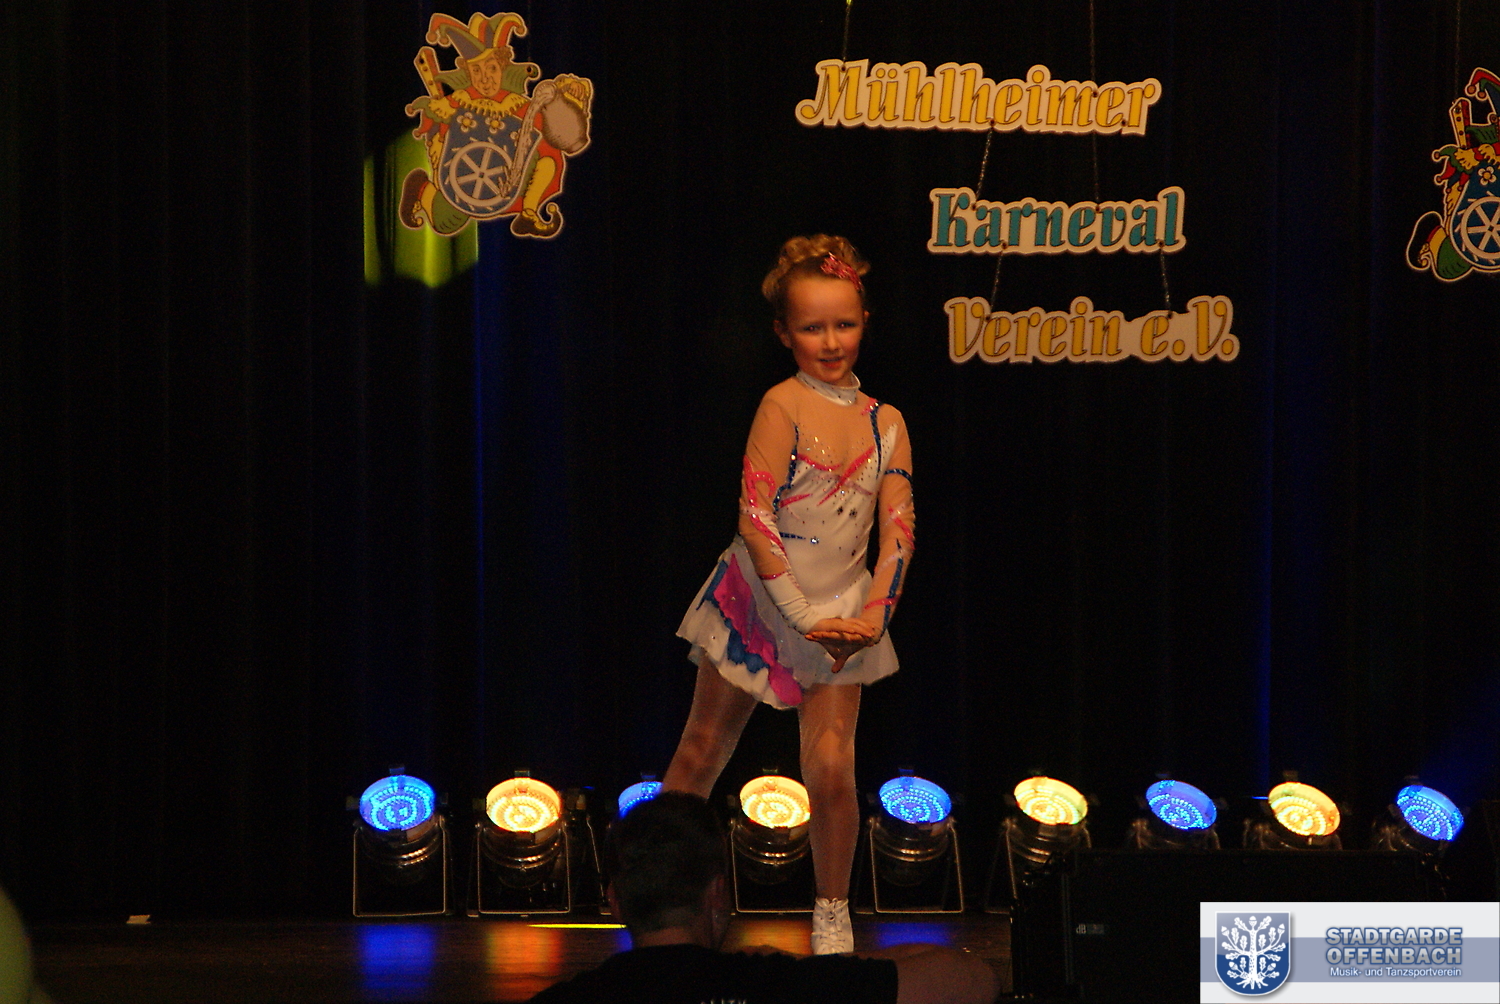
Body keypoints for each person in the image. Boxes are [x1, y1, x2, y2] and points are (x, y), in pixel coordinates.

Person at [663, 235, 915, 953]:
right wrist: (800, 617)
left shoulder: (886, 422)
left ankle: (832, 913)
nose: (831, 342)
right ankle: (664, 899)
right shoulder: (783, 405)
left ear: (865, 321)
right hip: (762, 602)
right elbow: (756, 516)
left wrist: (872, 618)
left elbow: (898, 530)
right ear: (783, 333)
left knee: (833, 769)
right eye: (812, 327)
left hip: (841, 614)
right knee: (701, 751)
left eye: (844, 324)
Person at [528, 792, 997, 1004]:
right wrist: (818, 968)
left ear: (614, 902)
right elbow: (973, 980)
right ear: (718, 895)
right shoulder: (775, 984)